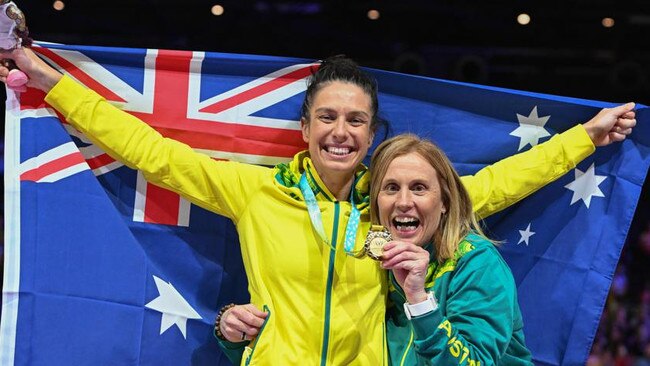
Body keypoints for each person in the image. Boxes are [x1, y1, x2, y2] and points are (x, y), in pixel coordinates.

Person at [0, 45, 636, 365]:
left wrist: (587, 136)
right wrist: (47, 78)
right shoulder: (255, 193)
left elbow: (500, 182)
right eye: (327, 116)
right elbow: (149, 150)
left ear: (371, 132)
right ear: (304, 128)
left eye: (356, 121)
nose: (341, 131)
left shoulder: (393, 203)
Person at [374, 134, 532, 364]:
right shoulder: (374, 262)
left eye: (419, 188)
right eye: (391, 188)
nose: (404, 202)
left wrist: (419, 301)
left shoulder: (477, 262)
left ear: (445, 202)